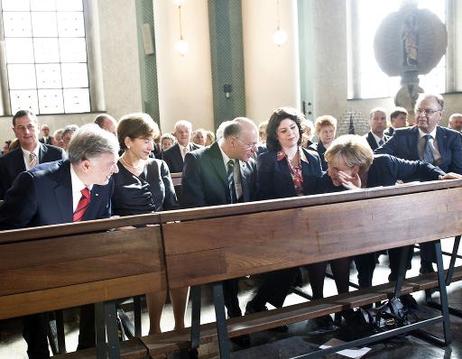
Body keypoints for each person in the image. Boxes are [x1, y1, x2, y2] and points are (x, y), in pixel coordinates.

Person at [0, 124, 120, 358]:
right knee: (34, 295)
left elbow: (100, 224)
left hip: (81, 263)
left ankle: (88, 350)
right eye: (111, 163)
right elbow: (7, 233)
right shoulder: (35, 182)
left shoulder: (104, 184)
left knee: (103, 282)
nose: (115, 170)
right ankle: (38, 352)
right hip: (36, 268)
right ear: (86, 164)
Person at [317, 134, 461, 293]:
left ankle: (397, 288)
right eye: (328, 165)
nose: (329, 172)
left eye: (336, 168)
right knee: (362, 251)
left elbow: (420, 167)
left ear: (356, 168)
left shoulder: (384, 164)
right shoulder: (326, 181)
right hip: (356, 234)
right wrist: (356, 195)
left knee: (404, 234)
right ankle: (365, 294)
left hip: (388, 226)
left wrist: (441, 176)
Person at [246, 107, 324, 322]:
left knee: (306, 259)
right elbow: (263, 194)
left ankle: (317, 305)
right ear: (275, 135)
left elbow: (318, 191)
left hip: (309, 223)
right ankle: (259, 305)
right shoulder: (268, 158)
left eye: (293, 127)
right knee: (287, 265)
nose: (290, 133)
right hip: (279, 223)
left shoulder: (314, 157)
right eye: (283, 130)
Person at [111, 113, 186, 334]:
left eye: (152, 140)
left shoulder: (158, 166)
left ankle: (180, 327)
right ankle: (155, 330)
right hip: (129, 240)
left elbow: (172, 206)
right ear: (127, 141)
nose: (151, 146)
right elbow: (107, 211)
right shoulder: (113, 169)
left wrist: (174, 227)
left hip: (162, 235)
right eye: (145, 140)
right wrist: (124, 226)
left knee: (181, 263)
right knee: (159, 265)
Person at [376, 93, 462, 275]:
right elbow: (377, 157)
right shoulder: (400, 136)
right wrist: (395, 177)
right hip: (407, 202)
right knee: (401, 224)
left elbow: (458, 171)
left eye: (428, 111)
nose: (422, 115)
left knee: (431, 215)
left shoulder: (453, 137)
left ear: (440, 114)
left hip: (442, 201)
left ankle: (427, 264)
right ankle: (398, 275)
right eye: (419, 110)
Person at [181, 117, 258, 320]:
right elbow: (194, 208)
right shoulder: (197, 159)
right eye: (250, 144)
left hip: (245, 234)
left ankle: (258, 305)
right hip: (213, 237)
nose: (254, 149)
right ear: (232, 141)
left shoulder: (249, 163)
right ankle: (234, 313)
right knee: (225, 257)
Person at [0, 110, 65, 200]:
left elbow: (66, 187)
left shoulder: (58, 154)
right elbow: (5, 196)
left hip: (52, 212)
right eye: (20, 127)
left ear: (38, 128)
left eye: (30, 126)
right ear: (14, 131)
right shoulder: (5, 162)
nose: (26, 132)